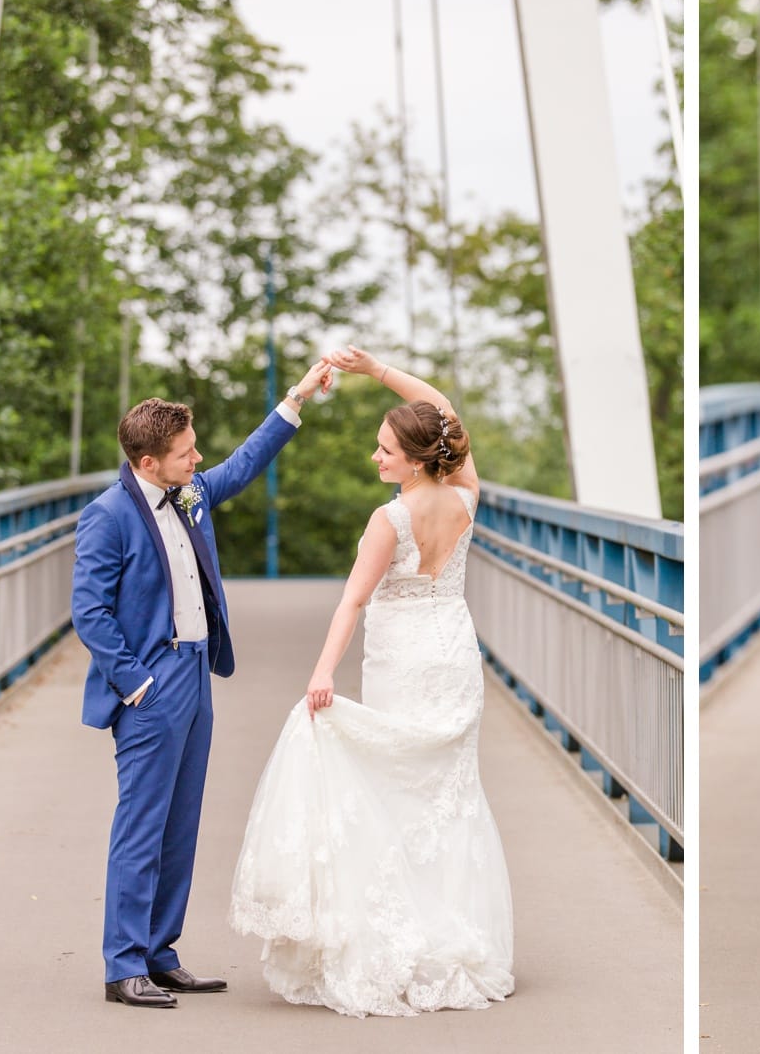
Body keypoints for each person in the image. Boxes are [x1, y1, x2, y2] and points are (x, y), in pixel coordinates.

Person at [229, 347, 514, 1017]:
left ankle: (402, 933)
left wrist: (323, 671)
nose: (375, 457)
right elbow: (445, 411)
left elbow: (352, 602)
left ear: (415, 460)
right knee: (449, 792)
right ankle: (452, 930)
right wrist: (380, 371)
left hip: (405, 662)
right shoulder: (467, 497)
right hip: (452, 655)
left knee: (394, 791)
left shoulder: (389, 520)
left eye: (385, 450)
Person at [73, 360, 333, 1008]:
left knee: (180, 823)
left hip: (197, 672)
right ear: (147, 459)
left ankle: (160, 953)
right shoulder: (107, 517)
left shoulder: (189, 492)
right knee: (141, 824)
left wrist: (297, 399)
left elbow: (244, 463)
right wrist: (136, 684)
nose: (199, 459)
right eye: (186, 453)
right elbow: (90, 612)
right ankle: (122, 965)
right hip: (151, 686)